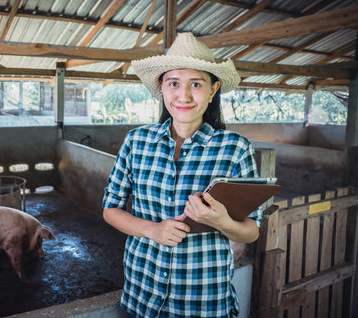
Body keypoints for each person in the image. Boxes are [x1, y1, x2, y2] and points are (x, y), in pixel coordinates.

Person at [102, 32, 262, 317]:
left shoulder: (235, 148)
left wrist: (222, 221)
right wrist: (153, 230)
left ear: (213, 90)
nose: (183, 95)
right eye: (174, 83)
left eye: (196, 84)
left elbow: (251, 231)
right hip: (143, 293)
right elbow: (110, 209)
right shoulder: (136, 142)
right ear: (161, 87)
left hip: (203, 298)